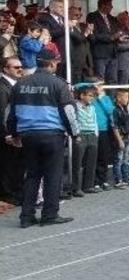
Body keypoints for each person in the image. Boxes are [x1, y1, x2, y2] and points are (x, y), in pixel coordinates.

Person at [7, 48, 79, 228]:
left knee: (32, 175)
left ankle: (26, 216)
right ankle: (49, 215)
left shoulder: (20, 84)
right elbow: (69, 112)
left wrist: (14, 134)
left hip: (28, 136)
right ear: (52, 63)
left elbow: (10, 113)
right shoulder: (58, 84)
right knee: (53, 176)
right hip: (51, 135)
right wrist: (74, 133)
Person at [0, 56, 25, 206]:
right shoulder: (3, 88)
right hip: (7, 134)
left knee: (17, 165)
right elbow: (2, 113)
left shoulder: (17, 84)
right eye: (16, 67)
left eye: (21, 66)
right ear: (5, 69)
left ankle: (15, 192)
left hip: (17, 132)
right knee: (8, 165)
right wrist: (8, 134)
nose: (20, 69)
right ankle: (8, 195)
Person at [71, 84, 99, 196]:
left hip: (92, 135)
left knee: (91, 162)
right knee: (77, 163)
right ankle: (76, 188)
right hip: (81, 135)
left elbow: (95, 120)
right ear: (82, 95)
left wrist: (96, 133)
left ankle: (88, 186)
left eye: (93, 96)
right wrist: (76, 134)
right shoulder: (75, 106)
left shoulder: (92, 107)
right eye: (90, 95)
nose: (92, 98)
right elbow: (73, 120)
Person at [87, 0, 119, 84]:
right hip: (100, 53)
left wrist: (119, 36)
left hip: (112, 53)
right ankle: (100, 97)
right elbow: (93, 35)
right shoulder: (92, 16)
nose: (112, 7)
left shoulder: (112, 18)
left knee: (113, 79)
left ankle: (111, 98)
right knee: (100, 79)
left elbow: (116, 32)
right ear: (102, 5)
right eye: (110, 5)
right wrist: (110, 37)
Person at [91, 78, 115, 190]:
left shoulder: (106, 98)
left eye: (101, 85)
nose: (99, 88)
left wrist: (101, 98)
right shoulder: (90, 98)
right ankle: (95, 181)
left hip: (104, 130)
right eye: (98, 85)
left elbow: (110, 111)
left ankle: (103, 180)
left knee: (103, 157)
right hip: (92, 130)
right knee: (93, 157)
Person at [111, 89, 129, 189]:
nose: (127, 99)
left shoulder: (125, 109)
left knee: (125, 159)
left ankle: (126, 178)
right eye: (125, 97)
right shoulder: (115, 110)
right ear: (119, 98)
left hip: (127, 137)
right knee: (118, 159)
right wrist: (119, 140)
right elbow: (114, 126)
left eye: (128, 97)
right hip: (121, 137)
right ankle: (118, 180)